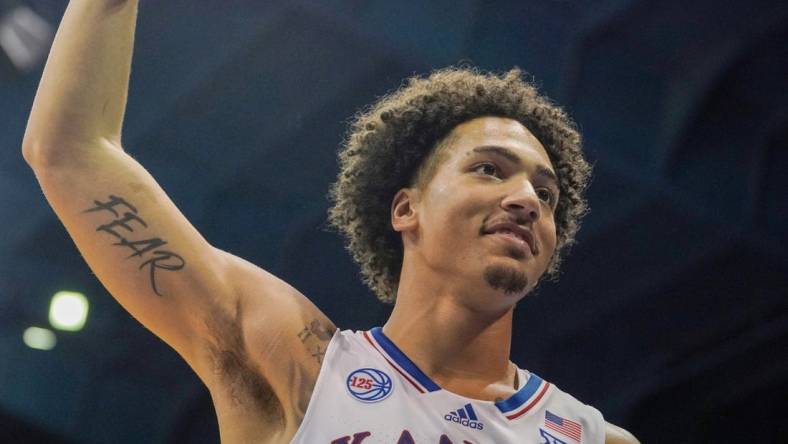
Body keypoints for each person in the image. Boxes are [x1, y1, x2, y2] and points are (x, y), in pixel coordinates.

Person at [22, 1, 639, 443]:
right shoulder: (297, 365)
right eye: (489, 169)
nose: (527, 198)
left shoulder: (590, 437)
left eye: (547, 192)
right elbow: (71, 152)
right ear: (406, 209)